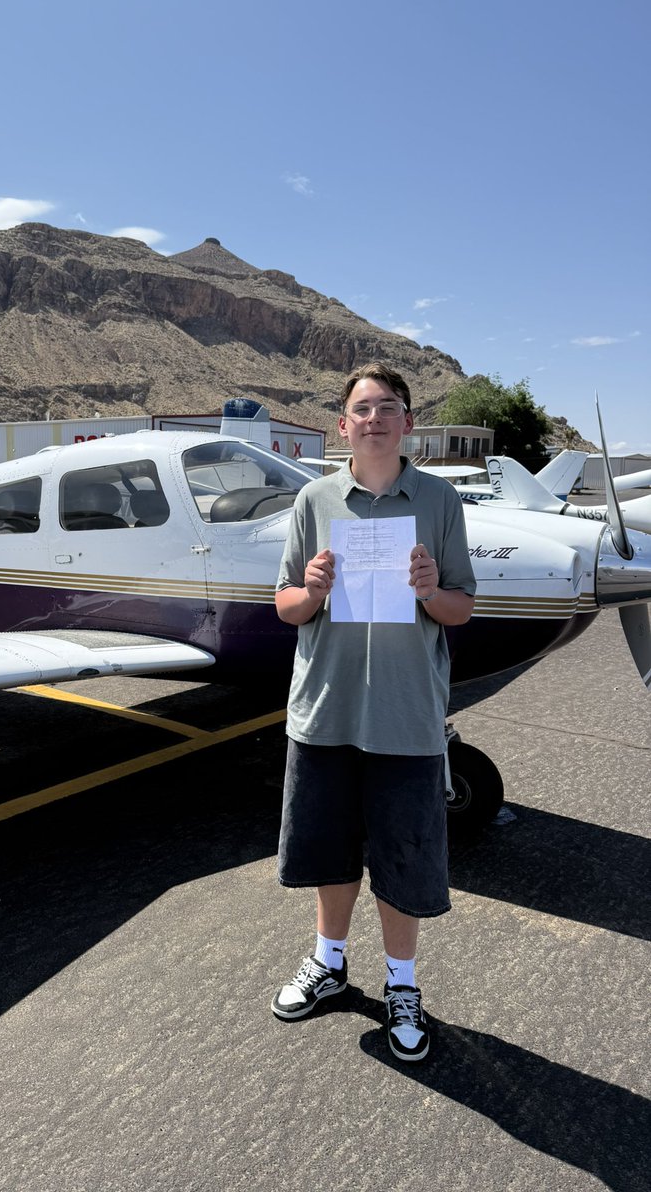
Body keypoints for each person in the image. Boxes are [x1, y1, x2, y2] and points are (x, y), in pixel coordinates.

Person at [271, 361, 476, 1061]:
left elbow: (461, 607)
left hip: (405, 714)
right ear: (343, 426)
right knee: (329, 851)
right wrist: (313, 588)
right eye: (363, 409)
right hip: (327, 712)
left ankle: (402, 985)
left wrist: (427, 590)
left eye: (389, 406)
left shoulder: (440, 503)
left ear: (407, 423)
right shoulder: (314, 502)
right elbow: (286, 607)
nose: (376, 419)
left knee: (405, 855)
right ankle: (329, 965)